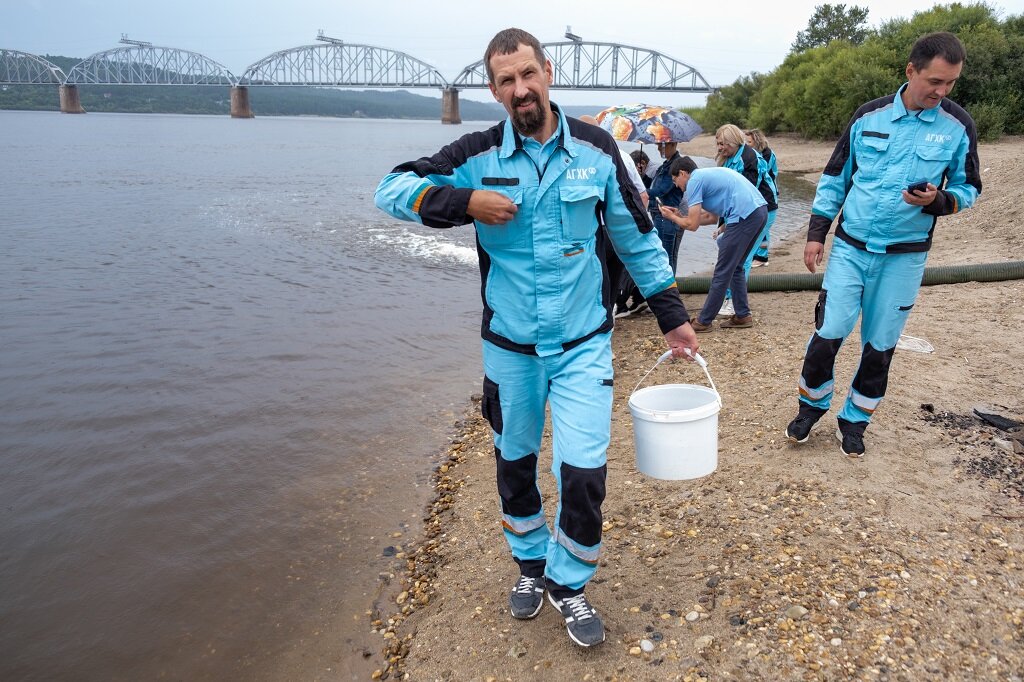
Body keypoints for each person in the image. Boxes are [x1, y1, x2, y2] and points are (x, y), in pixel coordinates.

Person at [374, 27, 699, 648]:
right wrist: (467, 200)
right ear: (493, 91)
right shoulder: (475, 154)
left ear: (547, 72)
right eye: (505, 81)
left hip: (583, 344)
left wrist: (672, 315)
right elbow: (389, 190)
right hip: (510, 349)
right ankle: (530, 565)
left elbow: (636, 237)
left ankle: (569, 581)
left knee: (583, 471)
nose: (520, 89)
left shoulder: (600, 150)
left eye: (528, 74)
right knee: (515, 465)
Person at [785, 31, 981, 458]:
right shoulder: (867, 117)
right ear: (911, 71)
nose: (942, 91)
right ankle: (811, 405)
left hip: (905, 259)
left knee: (880, 345)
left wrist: (939, 201)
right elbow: (835, 178)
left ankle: (855, 419)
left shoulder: (958, 126)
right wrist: (816, 235)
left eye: (950, 84)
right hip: (851, 250)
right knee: (830, 330)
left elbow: (969, 189)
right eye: (935, 81)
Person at [658, 156, 767, 332]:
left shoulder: (694, 181)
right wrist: (680, 216)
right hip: (758, 212)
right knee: (736, 267)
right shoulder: (704, 177)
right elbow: (711, 218)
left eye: (675, 179)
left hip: (744, 216)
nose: (676, 185)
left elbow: (692, 226)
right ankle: (743, 315)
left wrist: (672, 218)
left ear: (683, 173)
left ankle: (704, 321)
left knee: (722, 270)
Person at [715, 124, 778, 318]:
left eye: (723, 144)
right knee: (728, 248)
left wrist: (728, 224)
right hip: (742, 211)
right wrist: (721, 225)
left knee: (743, 256)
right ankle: (728, 297)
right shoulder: (728, 159)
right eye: (717, 143)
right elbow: (727, 194)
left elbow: (745, 196)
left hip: (761, 210)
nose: (719, 148)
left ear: (734, 142)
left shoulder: (748, 158)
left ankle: (734, 301)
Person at [647, 140, 686, 275]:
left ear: (673, 144)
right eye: (658, 145)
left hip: (667, 216)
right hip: (662, 216)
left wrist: (640, 193)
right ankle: (671, 292)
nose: (658, 148)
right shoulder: (666, 164)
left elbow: (662, 190)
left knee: (666, 258)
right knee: (667, 257)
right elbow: (655, 185)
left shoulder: (675, 165)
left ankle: (669, 293)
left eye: (662, 145)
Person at [745, 128, 777, 267]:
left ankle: (761, 257)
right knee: (764, 229)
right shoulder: (756, 154)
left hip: (768, 193)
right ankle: (762, 256)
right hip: (764, 193)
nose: (747, 144)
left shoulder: (767, 155)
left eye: (749, 142)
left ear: (757, 141)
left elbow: (763, 174)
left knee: (761, 229)